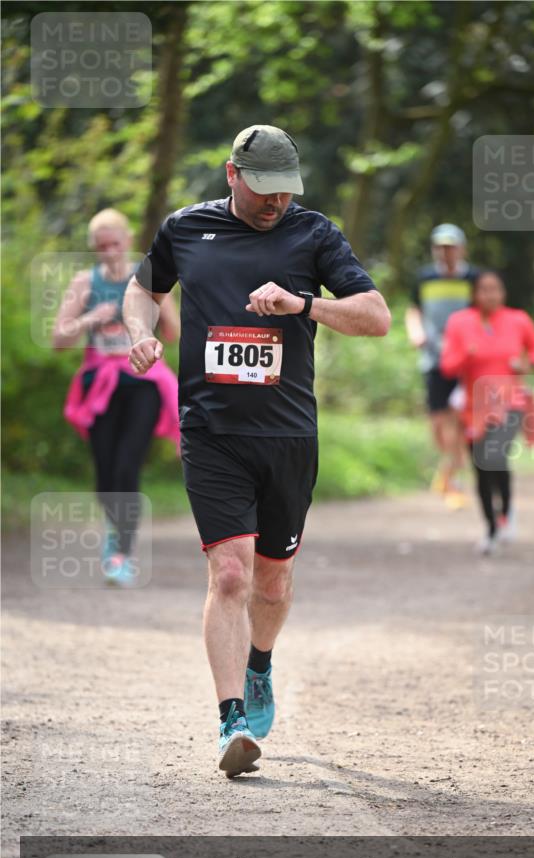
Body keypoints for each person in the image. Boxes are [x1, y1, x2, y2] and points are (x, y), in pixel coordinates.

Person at [122, 125, 391, 777]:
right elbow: (142, 289)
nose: (276, 202)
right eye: (264, 189)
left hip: (288, 436)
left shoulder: (314, 234)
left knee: (272, 579)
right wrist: (139, 332)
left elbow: (376, 315)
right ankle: (231, 721)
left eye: (285, 190)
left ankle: (260, 664)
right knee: (230, 574)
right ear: (232, 174)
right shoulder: (187, 228)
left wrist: (303, 304)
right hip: (211, 432)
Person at [54, 209, 180, 586]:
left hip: (143, 383)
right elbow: (59, 340)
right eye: (102, 246)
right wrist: (91, 319)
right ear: (94, 247)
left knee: (127, 467)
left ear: (127, 240)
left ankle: (121, 553)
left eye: (115, 243)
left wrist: (147, 315)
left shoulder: (147, 276)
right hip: (101, 383)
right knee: (106, 475)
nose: (109, 251)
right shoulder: (84, 282)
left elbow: (173, 333)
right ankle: (116, 532)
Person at [441, 271, 534, 555]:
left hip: (511, 401)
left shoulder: (518, 320)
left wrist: (528, 364)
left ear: (503, 293)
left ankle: (506, 512)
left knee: (495, 456)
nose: (490, 294)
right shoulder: (459, 322)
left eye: (495, 288)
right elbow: (447, 366)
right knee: (482, 466)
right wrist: (466, 355)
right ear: (474, 294)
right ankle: (491, 527)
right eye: (484, 289)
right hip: (474, 407)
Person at [405, 224, 477, 508]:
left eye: (450, 247)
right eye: (440, 247)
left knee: (458, 418)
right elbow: (414, 310)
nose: (445, 252)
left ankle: (454, 479)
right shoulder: (425, 278)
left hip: (466, 361)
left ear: (461, 249)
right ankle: (448, 466)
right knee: (437, 422)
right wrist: (416, 332)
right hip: (433, 358)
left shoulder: (473, 278)